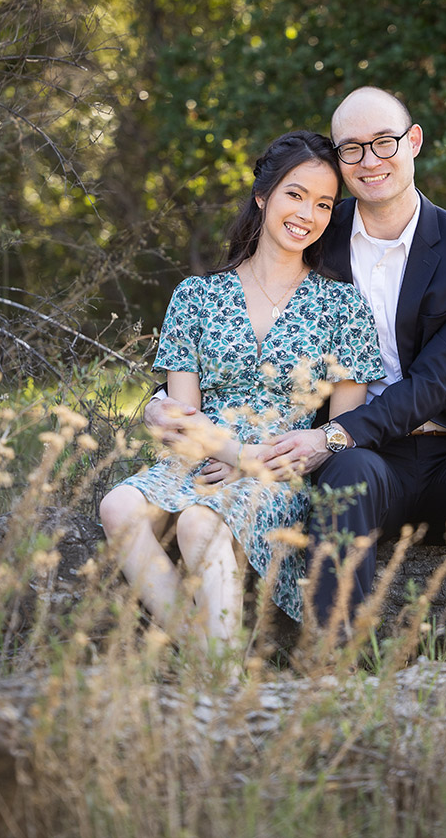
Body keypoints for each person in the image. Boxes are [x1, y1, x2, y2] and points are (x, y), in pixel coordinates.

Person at [146, 88, 446, 675]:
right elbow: (230, 311)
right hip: (360, 460)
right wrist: (162, 402)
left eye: (383, 143)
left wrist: (334, 435)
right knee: (349, 471)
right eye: (351, 150)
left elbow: (439, 378)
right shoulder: (314, 223)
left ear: (412, 142)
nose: (369, 160)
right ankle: (334, 659)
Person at [100, 130, 384, 660]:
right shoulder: (198, 296)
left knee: (200, 521)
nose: (308, 213)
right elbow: (182, 419)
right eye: (295, 194)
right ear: (263, 196)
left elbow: (343, 433)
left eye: (324, 203)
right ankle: (212, 663)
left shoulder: (344, 306)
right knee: (117, 506)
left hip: (285, 468)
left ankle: (219, 684)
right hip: (205, 458)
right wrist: (230, 454)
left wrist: (256, 464)